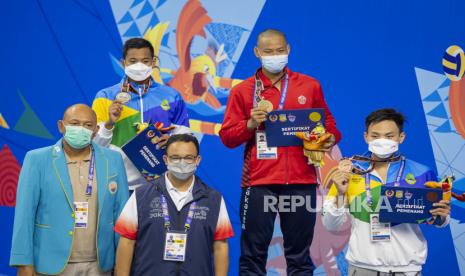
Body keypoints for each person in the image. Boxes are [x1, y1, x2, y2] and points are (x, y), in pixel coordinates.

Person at [219, 29, 342, 275]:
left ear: (288, 50)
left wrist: (327, 139)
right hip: (259, 183)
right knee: (253, 256)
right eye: (268, 52)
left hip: (302, 181)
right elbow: (227, 137)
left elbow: (329, 125)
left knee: (299, 257)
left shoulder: (309, 85)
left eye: (279, 51)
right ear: (257, 53)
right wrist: (250, 125)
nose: (275, 56)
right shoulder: (243, 91)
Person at [322, 108, 451, 275]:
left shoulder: (422, 173)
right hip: (362, 268)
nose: (382, 141)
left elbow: (438, 219)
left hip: (408, 270)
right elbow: (331, 225)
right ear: (366, 136)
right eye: (375, 136)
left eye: (389, 136)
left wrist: (442, 216)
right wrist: (340, 193)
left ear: (401, 137)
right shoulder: (349, 172)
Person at [10, 104, 129, 275]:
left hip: (100, 264)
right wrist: (23, 263)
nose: (81, 129)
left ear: (96, 131)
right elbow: (24, 215)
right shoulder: (37, 159)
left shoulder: (113, 159)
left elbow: (121, 216)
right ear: (61, 126)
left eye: (88, 125)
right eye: (74, 123)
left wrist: (122, 263)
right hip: (51, 264)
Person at [114, 134, 234, 276]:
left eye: (188, 157)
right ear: (166, 159)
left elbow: (220, 246)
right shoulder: (141, 195)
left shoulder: (213, 199)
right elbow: (127, 242)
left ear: (197, 160)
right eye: (175, 158)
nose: (182, 163)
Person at [92, 37, 190, 190]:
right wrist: (110, 123)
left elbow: (187, 141)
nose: (139, 66)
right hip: (117, 184)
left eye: (145, 61)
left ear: (154, 61)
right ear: (123, 62)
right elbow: (95, 147)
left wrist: (172, 141)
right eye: (132, 61)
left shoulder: (172, 97)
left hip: (162, 184)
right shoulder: (105, 96)